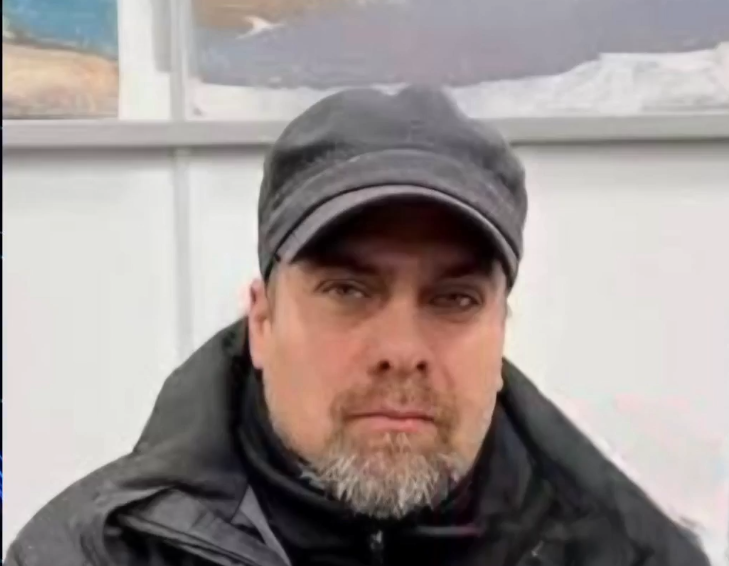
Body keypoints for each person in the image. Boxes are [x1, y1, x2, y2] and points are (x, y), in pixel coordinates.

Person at [5, 87, 709, 566]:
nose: (401, 351)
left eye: (454, 299)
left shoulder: (628, 552)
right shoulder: (93, 553)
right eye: (347, 290)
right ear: (262, 320)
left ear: (501, 332)